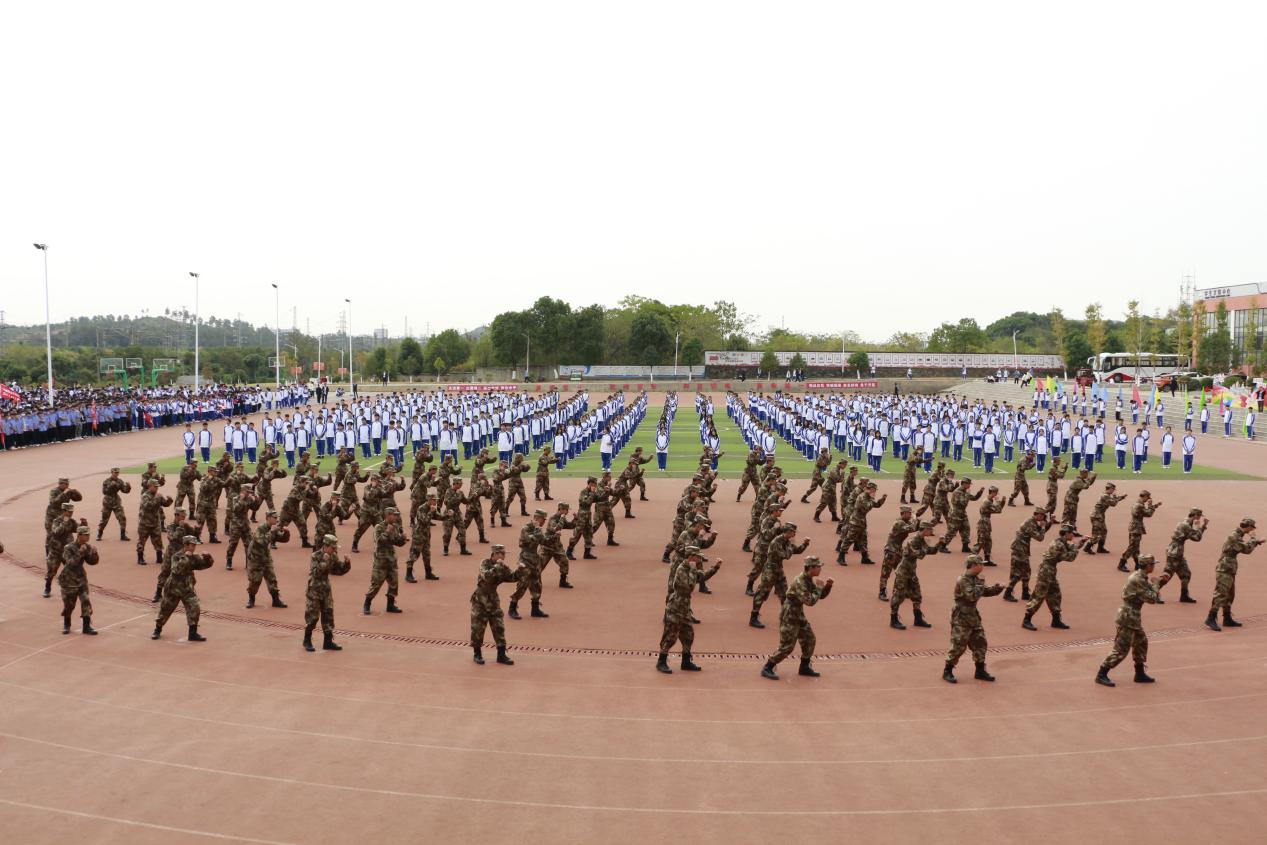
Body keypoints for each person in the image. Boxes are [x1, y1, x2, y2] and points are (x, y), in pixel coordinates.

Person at [1096, 553, 1168, 686]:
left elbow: (1150, 592)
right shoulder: (1138, 579)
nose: (1154, 566)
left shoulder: (1141, 576)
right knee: (1121, 649)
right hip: (1128, 617)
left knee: (1141, 642)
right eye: (1152, 564)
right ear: (1147, 566)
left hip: (1132, 615)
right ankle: (1101, 673)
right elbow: (1152, 599)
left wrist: (1159, 582)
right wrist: (1157, 584)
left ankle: (1139, 673)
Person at [761, 555, 833, 680]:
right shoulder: (800, 581)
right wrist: (820, 588)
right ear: (810, 568)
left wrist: (827, 587)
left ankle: (804, 667)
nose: (820, 569)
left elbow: (819, 596)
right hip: (790, 614)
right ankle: (768, 666)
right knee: (787, 646)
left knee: (809, 639)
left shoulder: (808, 578)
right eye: (818, 567)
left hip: (797, 612)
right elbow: (810, 601)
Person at [656, 546, 721, 674]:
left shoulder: (692, 568)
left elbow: (702, 576)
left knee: (688, 635)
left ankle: (686, 662)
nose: (699, 560)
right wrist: (693, 571)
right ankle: (661, 661)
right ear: (691, 556)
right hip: (675, 607)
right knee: (670, 636)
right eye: (698, 557)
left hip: (685, 608)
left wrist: (716, 567)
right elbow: (688, 587)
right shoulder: (681, 569)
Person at [943, 555, 1005, 683]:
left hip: (973, 616)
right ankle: (947, 670)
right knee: (958, 645)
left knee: (980, 643)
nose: (982, 566)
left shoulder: (975, 579)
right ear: (973, 565)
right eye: (980, 564)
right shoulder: (963, 580)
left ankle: (980, 670)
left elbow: (985, 592)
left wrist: (998, 587)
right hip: (961, 617)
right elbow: (971, 596)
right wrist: (981, 583)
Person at [1205, 518, 1264, 631]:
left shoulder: (1238, 534)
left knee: (1230, 594)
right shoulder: (1234, 536)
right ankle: (1211, 617)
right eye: (1252, 527)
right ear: (1248, 526)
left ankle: (1227, 617)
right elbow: (1246, 550)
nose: (1252, 529)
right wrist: (1253, 538)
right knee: (1221, 593)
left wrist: (1256, 542)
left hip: (1229, 568)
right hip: (1225, 569)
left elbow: (1244, 546)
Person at [152, 534, 213, 641]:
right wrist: (186, 557)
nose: (194, 547)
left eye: (195, 545)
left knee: (194, 608)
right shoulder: (176, 556)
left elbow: (205, 565)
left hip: (187, 589)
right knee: (165, 609)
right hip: (173, 589)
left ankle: (192, 634)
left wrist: (208, 558)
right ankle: (157, 629)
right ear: (186, 545)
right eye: (192, 545)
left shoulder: (193, 556)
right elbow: (177, 570)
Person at [1022, 523, 1082, 631]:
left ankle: (1056, 620)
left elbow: (1070, 547)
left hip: (1050, 569)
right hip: (1046, 570)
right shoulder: (1058, 544)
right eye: (1072, 533)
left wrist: (1080, 543)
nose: (1073, 535)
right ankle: (1027, 619)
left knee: (1055, 594)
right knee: (1039, 595)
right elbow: (1069, 557)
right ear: (1066, 534)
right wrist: (1076, 549)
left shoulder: (1061, 541)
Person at [303, 534, 352, 652]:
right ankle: (307, 640)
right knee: (313, 616)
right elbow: (315, 573)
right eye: (333, 547)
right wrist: (324, 562)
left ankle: (328, 641)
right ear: (326, 546)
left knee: (328, 615)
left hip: (326, 589)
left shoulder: (333, 556)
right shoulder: (315, 556)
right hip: (314, 589)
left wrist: (346, 563)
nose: (335, 550)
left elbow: (338, 571)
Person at [890, 521, 935, 630]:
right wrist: (926, 547)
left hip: (911, 572)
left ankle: (918, 618)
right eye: (930, 530)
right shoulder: (913, 541)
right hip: (903, 572)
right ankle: (893, 619)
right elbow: (920, 555)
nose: (931, 532)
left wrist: (940, 544)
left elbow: (930, 551)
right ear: (924, 529)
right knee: (898, 596)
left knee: (917, 595)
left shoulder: (921, 539)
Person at [363, 506, 407, 614]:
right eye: (394, 515)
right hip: (380, 561)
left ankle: (390, 605)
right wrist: (387, 532)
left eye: (397, 515)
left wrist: (402, 539)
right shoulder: (379, 527)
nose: (396, 517)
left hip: (391, 559)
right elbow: (379, 542)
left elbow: (397, 542)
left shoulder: (395, 526)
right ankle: (367, 603)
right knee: (376, 584)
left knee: (394, 584)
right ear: (388, 516)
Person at [59, 526, 100, 635]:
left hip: (81, 578)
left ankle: (86, 626)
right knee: (69, 605)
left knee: (85, 600)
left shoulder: (86, 546)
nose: (88, 536)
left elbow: (92, 562)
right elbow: (70, 564)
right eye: (85, 535)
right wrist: (80, 552)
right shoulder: (69, 547)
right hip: (69, 579)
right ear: (79, 535)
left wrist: (94, 554)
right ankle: (66, 624)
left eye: (88, 534)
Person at [1160, 508, 1207, 604]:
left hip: (1178, 551)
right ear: (1195, 515)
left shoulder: (1187, 522)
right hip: (1174, 553)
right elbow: (1196, 538)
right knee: (1167, 574)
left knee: (1186, 574)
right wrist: (1201, 526)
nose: (1199, 518)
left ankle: (1184, 595)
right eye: (1199, 516)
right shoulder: (1186, 525)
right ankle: (1154, 591)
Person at [1118, 490, 1162, 573]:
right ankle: (1122, 563)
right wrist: (1151, 505)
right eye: (1147, 497)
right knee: (1132, 547)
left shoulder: (1138, 503)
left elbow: (1144, 511)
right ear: (1144, 496)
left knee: (1136, 547)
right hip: (1136, 528)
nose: (1147, 499)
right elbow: (1148, 514)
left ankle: (1138, 565)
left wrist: (1155, 505)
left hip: (1135, 527)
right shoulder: (1139, 505)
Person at [96, 467, 131, 541]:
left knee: (122, 518)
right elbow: (104, 492)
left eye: (117, 473)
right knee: (104, 520)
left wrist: (128, 487)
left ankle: (123, 535)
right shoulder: (106, 481)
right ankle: (99, 534)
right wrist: (111, 485)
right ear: (111, 473)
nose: (116, 474)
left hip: (116, 502)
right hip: (107, 503)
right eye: (115, 473)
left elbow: (124, 490)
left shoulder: (120, 481)